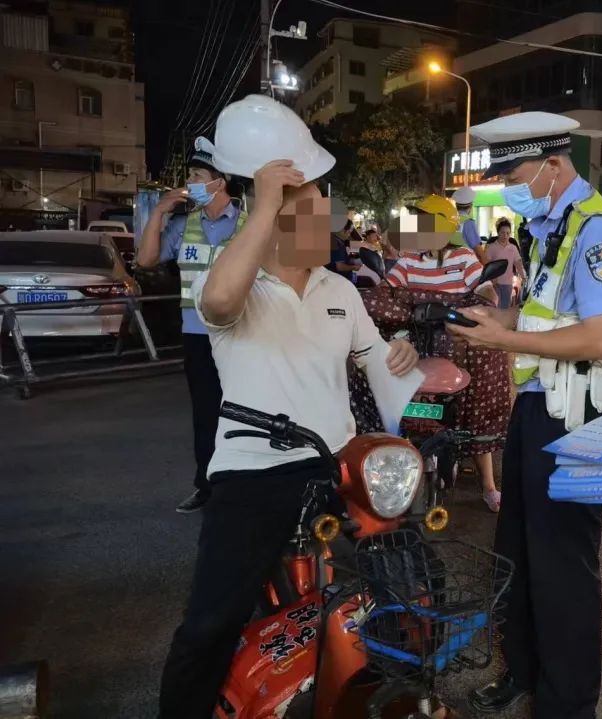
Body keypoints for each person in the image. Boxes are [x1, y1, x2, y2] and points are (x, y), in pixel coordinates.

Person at [158, 94, 419, 719]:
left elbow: (378, 360)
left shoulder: (341, 291)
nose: (324, 227)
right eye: (306, 214)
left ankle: (379, 692)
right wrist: (266, 203)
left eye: (324, 215)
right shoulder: (233, 279)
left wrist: (402, 351)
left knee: (401, 584)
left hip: (336, 464)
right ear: (270, 218)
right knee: (210, 622)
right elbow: (218, 304)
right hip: (253, 470)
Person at [448, 112, 602, 719]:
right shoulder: (544, 228)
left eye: (514, 173)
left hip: (580, 418)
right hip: (536, 407)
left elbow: (599, 339)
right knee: (521, 552)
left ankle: (567, 701)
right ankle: (522, 671)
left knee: (564, 566)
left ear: (554, 167)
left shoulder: (598, 229)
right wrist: (497, 322)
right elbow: (541, 319)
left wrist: (505, 344)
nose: (508, 185)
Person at [136, 142, 245, 513]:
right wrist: (160, 212)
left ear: (221, 181)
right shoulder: (184, 226)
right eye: (191, 176)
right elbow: (146, 259)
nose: (190, 182)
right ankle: (208, 485)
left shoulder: (249, 225)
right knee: (205, 415)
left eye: (198, 176)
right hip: (198, 335)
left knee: (246, 410)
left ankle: (243, 487)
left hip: (241, 332)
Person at [383, 194, 507, 512]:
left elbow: (484, 289)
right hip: (417, 345)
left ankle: (488, 485)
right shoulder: (408, 260)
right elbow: (388, 291)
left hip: (457, 344)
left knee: (483, 393)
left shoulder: (464, 258)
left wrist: (485, 299)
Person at [484, 217, 527, 308]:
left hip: (507, 284)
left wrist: (523, 277)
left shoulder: (513, 248)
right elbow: (486, 264)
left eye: (508, 233)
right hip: (494, 284)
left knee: (505, 308)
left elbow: (518, 263)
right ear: (498, 233)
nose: (505, 236)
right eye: (502, 233)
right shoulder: (491, 247)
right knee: (495, 307)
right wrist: (491, 279)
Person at [452, 186, 483, 254]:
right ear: (471, 206)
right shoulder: (468, 223)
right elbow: (479, 251)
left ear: (456, 206)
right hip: (465, 262)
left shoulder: (450, 220)